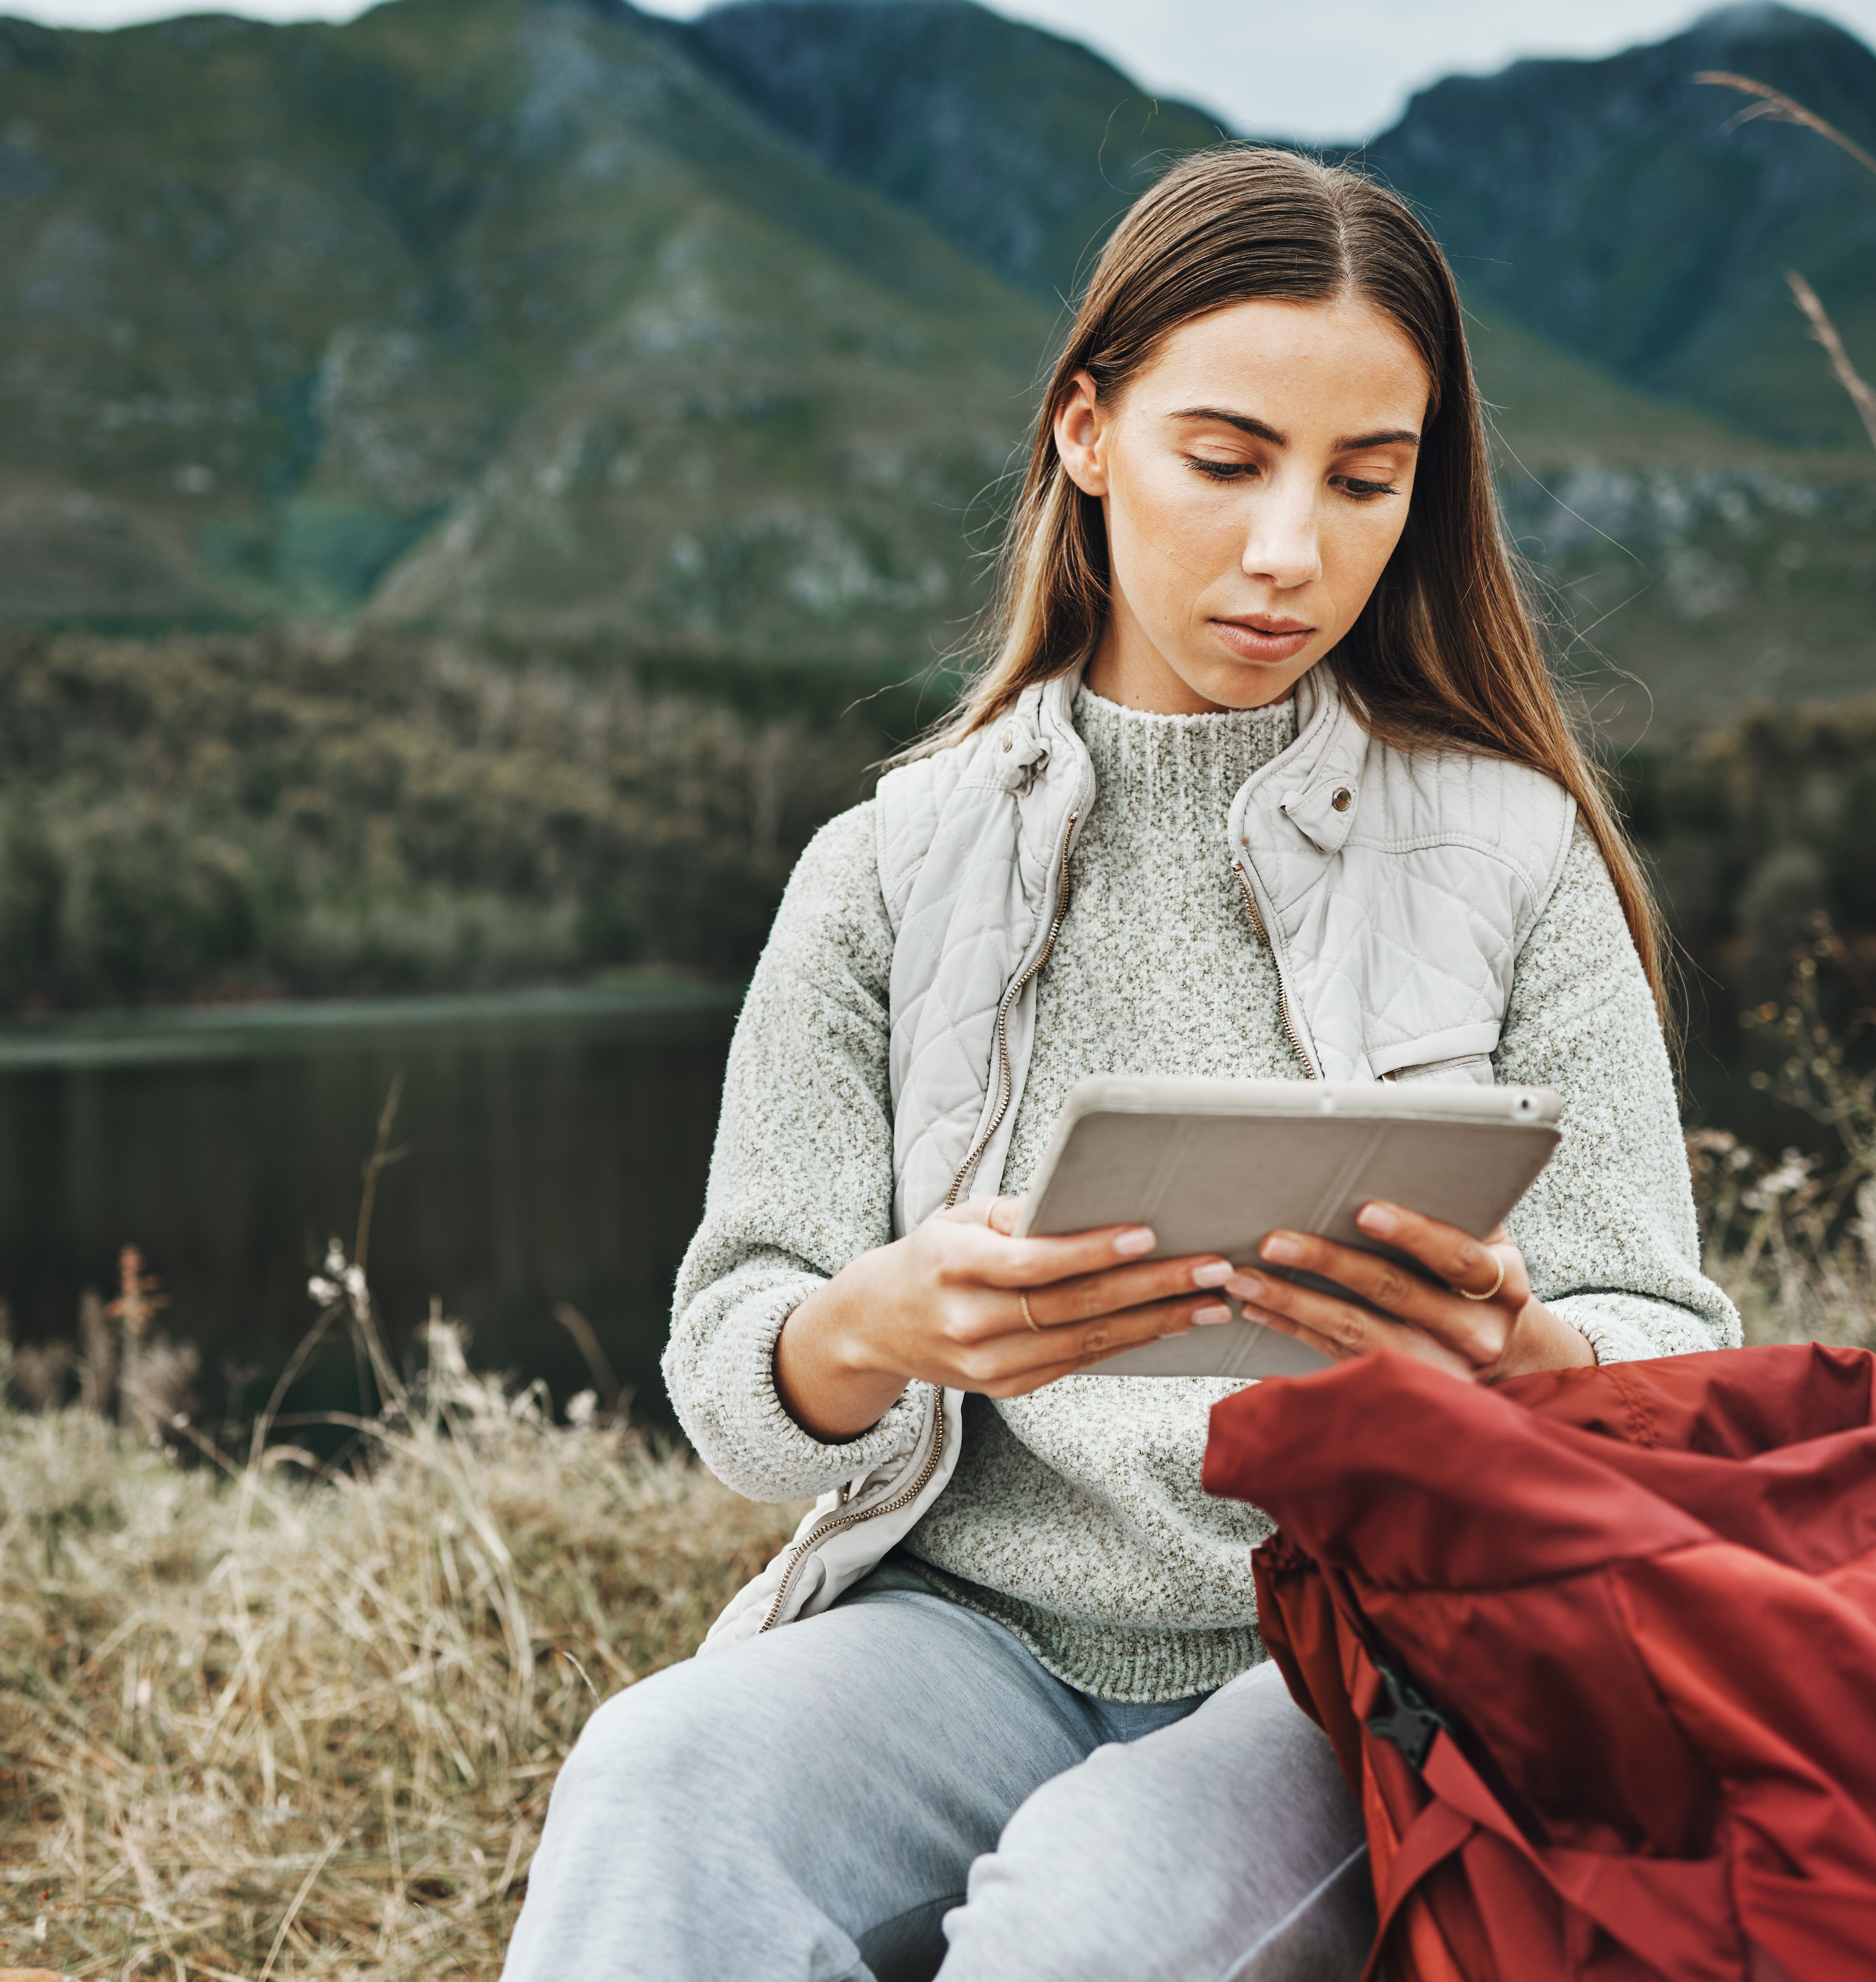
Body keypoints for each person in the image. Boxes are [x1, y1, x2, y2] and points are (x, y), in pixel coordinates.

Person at [499, 145, 1739, 1982]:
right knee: (656, 1775)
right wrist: (875, 1328)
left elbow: (1667, 1355)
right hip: (959, 1632)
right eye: (1224, 461)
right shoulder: (881, 869)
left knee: (1090, 1926)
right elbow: (732, 1350)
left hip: (1339, 1651)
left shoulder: (1513, 855)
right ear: (1085, 431)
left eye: (1363, 481)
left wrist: (1516, 1351)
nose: (1285, 553)